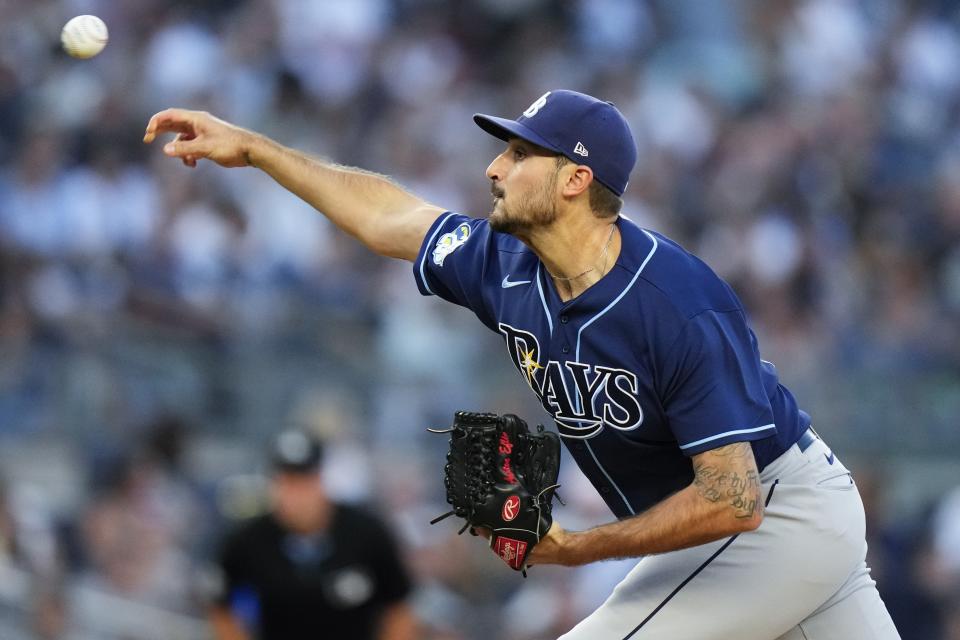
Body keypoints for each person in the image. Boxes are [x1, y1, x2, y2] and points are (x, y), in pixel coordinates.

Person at [146, 90, 901, 639]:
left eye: (517, 153)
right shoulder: (504, 264)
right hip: (763, 525)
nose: (493, 168)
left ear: (575, 180)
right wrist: (257, 150)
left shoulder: (674, 302)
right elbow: (390, 218)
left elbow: (734, 499)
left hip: (772, 513)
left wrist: (575, 549)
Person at [208, 430, 417, 640]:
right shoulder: (248, 541)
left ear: (321, 479)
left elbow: (398, 606)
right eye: (288, 482)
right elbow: (219, 604)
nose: (297, 494)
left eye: (305, 481)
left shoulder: (366, 533)